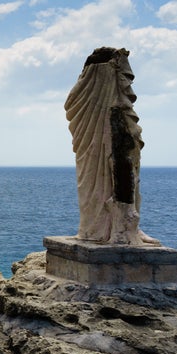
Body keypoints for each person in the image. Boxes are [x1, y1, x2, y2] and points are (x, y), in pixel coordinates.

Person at [65, 47, 159, 245]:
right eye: (121, 73)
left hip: (114, 133)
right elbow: (72, 106)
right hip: (97, 143)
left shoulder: (110, 101)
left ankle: (127, 226)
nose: (126, 82)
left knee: (128, 169)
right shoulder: (88, 88)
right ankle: (109, 229)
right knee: (103, 177)